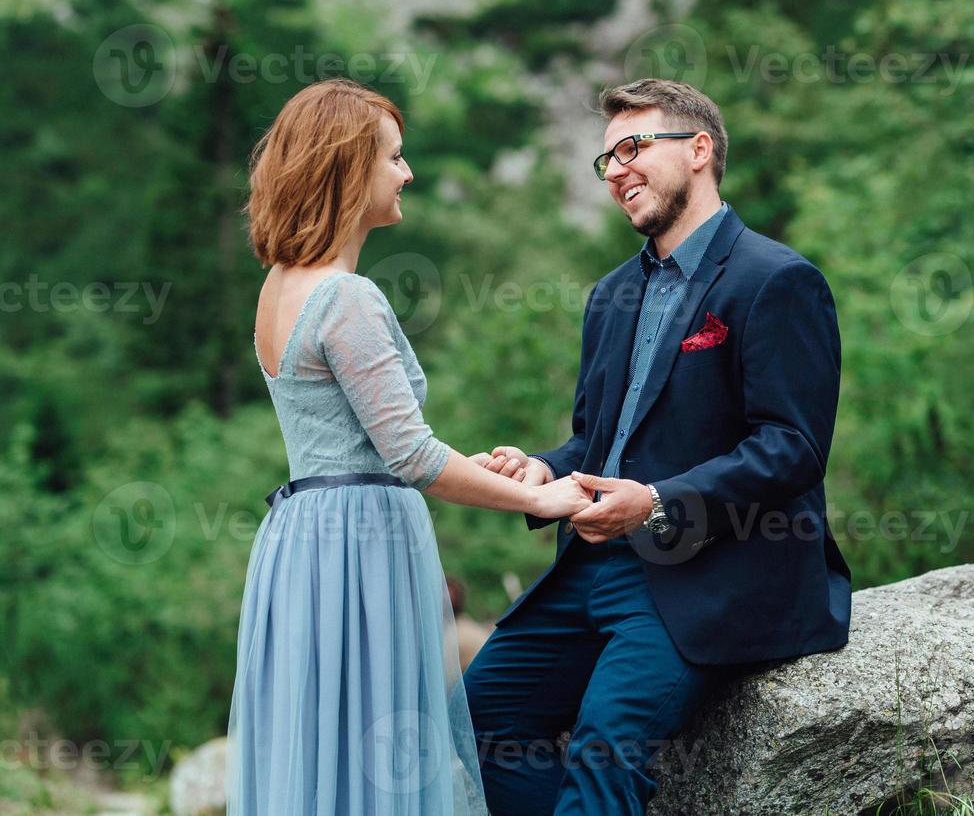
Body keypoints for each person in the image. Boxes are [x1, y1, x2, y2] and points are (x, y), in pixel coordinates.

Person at [464, 78, 852, 815]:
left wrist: (659, 504)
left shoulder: (778, 280)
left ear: (700, 150)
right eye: (606, 159)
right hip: (589, 569)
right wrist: (541, 466)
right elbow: (597, 438)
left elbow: (793, 447)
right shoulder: (610, 294)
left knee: (604, 750)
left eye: (633, 147)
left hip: (707, 575)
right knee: (474, 726)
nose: (615, 170)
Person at [226, 78, 590, 816]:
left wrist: (474, 464)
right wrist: (536, 495)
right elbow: (413, 457)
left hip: (302, 538)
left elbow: (369, 439)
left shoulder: (278, 287)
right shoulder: (346, 297)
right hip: (360, 546)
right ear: (348, 166)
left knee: (327, 744)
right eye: (394, 157)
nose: (407, 173)